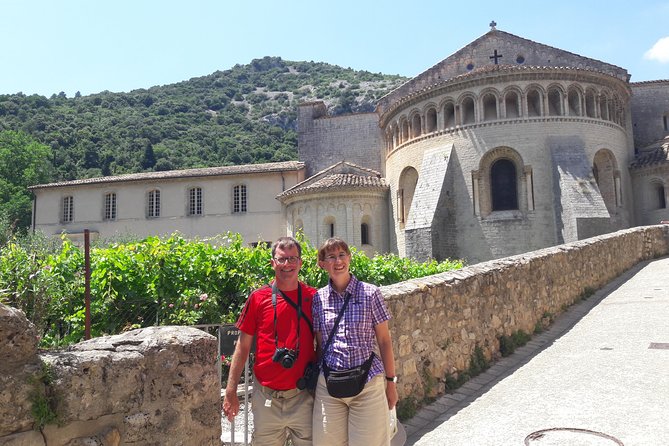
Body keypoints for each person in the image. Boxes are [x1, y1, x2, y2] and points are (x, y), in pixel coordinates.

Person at [222, 236, 317, 446]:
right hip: (266, 397)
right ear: (273, 263)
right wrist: (230, 392)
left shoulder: (313, 297)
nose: (287, 264)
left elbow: (322, 343)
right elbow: (242, 346)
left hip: (303, 395)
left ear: (300, 263)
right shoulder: (258, 298)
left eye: (292, 259)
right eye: (281, 259)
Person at [312, 237, 399, 446]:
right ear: (322, 264)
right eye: (331, 257)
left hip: (367, 382)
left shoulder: (370, 293)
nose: (338, 261)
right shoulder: (318, 298)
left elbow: (385, 341)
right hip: (330, 387)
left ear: (350, 258)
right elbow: (320, 345)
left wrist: (391, 383)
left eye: (342, 255)